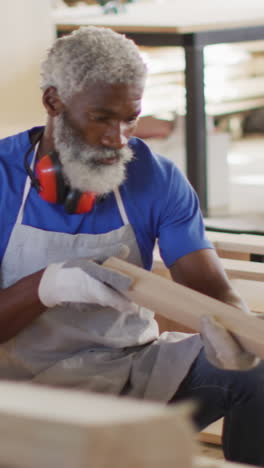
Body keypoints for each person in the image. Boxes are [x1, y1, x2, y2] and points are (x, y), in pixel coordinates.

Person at [0, 26, 264, 465]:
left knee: (258, 374)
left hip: (130, 371)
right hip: (19, 386)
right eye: (101, 117)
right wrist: (46, 287)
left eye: (130, 118)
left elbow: (210, 289)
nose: (118, 138)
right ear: (53, 102)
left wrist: (234, 333)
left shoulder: (156, 178)